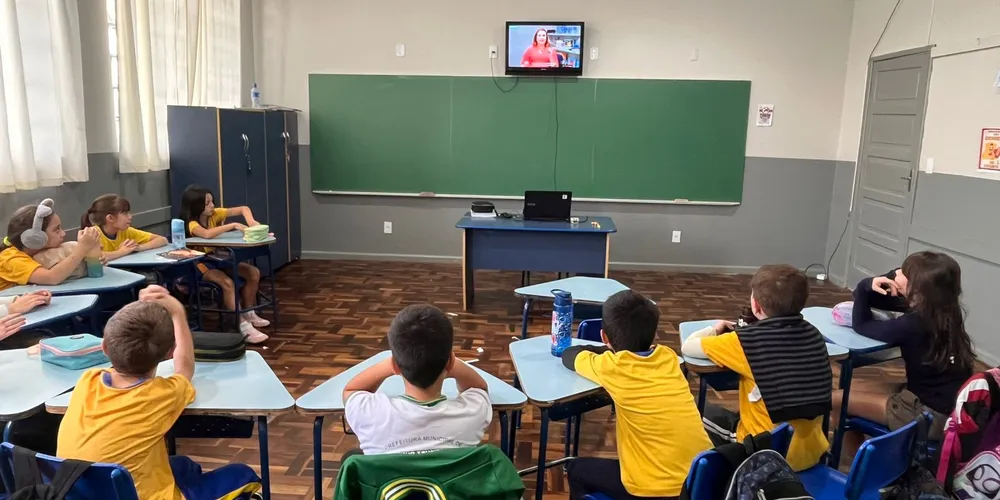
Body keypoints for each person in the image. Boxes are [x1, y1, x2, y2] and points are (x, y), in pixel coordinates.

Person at [57, 285, 262, 500]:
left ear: (105, 347)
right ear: (168, 354)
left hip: (83, 492)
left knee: (183, 465)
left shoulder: (88, 380)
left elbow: (122, 337)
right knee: (244, 475)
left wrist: (138, 308)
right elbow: (185, 368)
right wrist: (177, 313)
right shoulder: (161, 394)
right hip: (139, 496)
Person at [562, 290, 712, 500]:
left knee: (577, 469)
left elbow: (570, 355)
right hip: (702, 481)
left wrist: (605, 351)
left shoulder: (612, 367)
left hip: (654, 492)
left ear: (604, 336)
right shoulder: (668, 357)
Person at [681, 264, 833, 471]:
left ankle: (712, 475)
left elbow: (688, 346)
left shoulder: (745, 342)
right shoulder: (814, 334)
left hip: (766, 453)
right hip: (812, 451)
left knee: (693, 410)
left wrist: (714, 329)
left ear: (756, 305)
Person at [834, 251, 974, 457]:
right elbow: (881, 299)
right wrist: (877, 284)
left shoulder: (913, 324)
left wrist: (864, 286)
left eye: (903, 273)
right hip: (951, 408)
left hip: (928, 415)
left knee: (838, 399)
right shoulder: (946, 312)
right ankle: (883, 456)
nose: (895, 274)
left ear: (918, 288)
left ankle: (862, 470)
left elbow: (862, 325)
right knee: (862, 388)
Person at [343, 304, 491, 455]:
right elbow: (478, 387)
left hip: (392, 478)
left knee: (351, 456)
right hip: (450, 479)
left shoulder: (371, 413)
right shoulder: (471, 413)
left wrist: (393, 363)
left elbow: (352, 390)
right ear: (451, 363)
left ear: (394, 366)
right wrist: (450, 362)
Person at [179, 185, 269, 343]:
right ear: (196, 205)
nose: (212, 206)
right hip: (199, 263)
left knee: (253, 272)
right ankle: (241, 323)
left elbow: (243, 208)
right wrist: (233, 225)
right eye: (207, 203)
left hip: (217, 258)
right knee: (227, 283)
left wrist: (251, 222)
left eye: (212, 201)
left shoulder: (214, 214)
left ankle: (249, 312)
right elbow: (206, 234)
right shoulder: (192, 224)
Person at [0, 199, 101, 291]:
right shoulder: (11, 259)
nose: (63, 234)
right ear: (35, 238)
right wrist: (82, 249)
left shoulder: (39, 253)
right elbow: (52, 278)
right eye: (57, 230)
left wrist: (92, 257)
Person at [81, 194, 168, 262]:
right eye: (125, 213)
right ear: (110, 218)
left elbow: (162, 240)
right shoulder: (93, 234)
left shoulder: (125, 231)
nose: (130, 217)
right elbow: (96, 257)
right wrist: (122, 252)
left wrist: (138, 248)